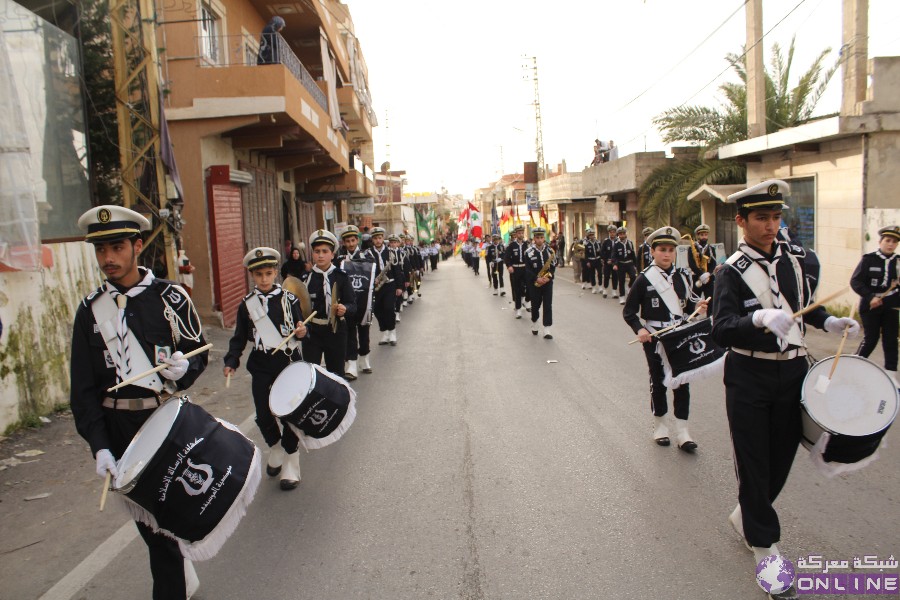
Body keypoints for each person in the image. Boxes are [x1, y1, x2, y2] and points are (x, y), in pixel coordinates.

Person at [711, 180, 859, 600]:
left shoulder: (796, 261)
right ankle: (765, 549)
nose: (770, 225)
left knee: (780, 458)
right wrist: (756, 321)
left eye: (776, 217)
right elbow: (720, 330)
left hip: (793, 372)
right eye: (761, 218)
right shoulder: (730, 271)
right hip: (749, 374)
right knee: (754, 460)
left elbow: (807, 304)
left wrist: (828, 322)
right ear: (741, 221)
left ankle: (748, 515)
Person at [70, 205, 209, 599]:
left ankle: (173, 580)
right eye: (100, 251)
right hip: (119, 431)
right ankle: (177, 572)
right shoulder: (89, 311)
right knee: (152, 528)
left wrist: (185, 369)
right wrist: (98, 445)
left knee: (167, 523)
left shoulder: (171, 297)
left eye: (116, 247)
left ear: (137, 245)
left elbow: (198, 352)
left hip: (165, 422)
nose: (108, 259)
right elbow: (82, 390)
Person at [224, 247, 307, 490]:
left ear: (275, 274)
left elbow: (301, 328)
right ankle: (276, 447)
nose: (264, 279)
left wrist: (303, 331)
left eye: (268, 273)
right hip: (261, 363)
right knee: (263, 413)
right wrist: (231, 360)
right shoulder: (246, 305)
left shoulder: (289, 299)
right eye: (259, 274)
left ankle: (292, 459)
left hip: (287, 361)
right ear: (252, 275)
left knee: (290, 412)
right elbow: (239, 337)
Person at [622, 226, 705, 450]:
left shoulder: (682, 277)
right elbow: (629, 312)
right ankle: (660, 425)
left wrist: (699, 306)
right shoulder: (644, 279)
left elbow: (688, 304)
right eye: (662, 249)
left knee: (682, 381)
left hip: (678, 334)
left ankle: (683, 432)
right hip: (655, 337)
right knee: (658, 381)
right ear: (653, 251)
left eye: (671, 250)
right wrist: (640, 329)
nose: (667, 254)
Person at [300, 229, 356, 375]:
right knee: (311, 373)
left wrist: (345, 308)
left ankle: (338, 398)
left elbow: (352, 305)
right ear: (312, 253)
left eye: (325, 251)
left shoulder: (341, 276)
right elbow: (298, 306)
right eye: (317, 251)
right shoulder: (306, 279)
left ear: (332, 254)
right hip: (312, 332)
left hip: (336, 331)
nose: (320, 255)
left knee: (336, 373)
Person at [851, 225, 900, 377]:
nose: (891, 244)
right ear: (880, 242)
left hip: (891, 303)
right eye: (888, 240)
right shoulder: (869, 259)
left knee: (891, 340)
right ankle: (854, 366)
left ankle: (890, 376)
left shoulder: (898, 262)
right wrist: (870, 297)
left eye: (895, 242)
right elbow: (856, 281)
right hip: (870, 304)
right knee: (871, 338)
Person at [334, 225, 373, 379]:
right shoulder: (339, 259)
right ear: (343, 243)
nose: (350, 244)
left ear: (357, 240)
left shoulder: (367, 256)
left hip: (364, 300)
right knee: (349, 332)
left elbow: (371, 274)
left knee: (364, 331)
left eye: (352, 240)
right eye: (347, 241)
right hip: (348, 301)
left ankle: (364, 358)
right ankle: (351, 364)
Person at [371, 228, 404, 346]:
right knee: (378, 310)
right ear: (372, 240)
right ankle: (384, 332)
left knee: (389, 308)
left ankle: (392, 332)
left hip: (390, 284)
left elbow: (397, 271)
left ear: (383, 238)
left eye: (379, 238)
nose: (378, 240)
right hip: (376, 287)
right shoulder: (368, 254)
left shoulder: (391, 252)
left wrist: (399, 286)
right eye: (375, 238)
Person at [524, 227, 556, 339]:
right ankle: (535, 322)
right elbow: (527, 270)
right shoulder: (528, 252)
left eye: (542, 237)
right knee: (535, 305)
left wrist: (549, 277)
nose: (540, 240)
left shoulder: (550, 251)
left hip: (547, 282)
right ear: (534, 238)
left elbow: (552, 267)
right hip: (535, 283)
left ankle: (547, 329)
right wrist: (536, 279)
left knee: (548, 305)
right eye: (537, 238)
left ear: (544, 238)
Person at [504, 225, 530, 319]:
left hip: (525, 269)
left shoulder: (527, 244)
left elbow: (530, 257)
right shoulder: (512, 245)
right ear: (516, 234)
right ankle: (518, 310)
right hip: (516, 269)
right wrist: (509, 266)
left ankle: (526, 301)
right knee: (517, 290)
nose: (521, 234)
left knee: (530, 287)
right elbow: (506, 257)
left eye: (522, 233)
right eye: (519, 233)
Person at [688, 224, 715, 298]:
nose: (704, 237)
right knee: (695, 299)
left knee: (710, 300)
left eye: (706, 235)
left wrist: (708, 273)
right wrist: (701, 274)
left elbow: (713, 263)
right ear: (698, 236)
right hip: (697, 277)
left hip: (709, 278)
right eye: (702, 235)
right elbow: (691, 264)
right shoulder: (692, 248)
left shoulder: (711, 248)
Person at [612, 226, 637, 305]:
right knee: (621, 281)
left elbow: (633, 254)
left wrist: (635, 265)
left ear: (625, 234)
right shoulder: (616, 244)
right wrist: (615, 264)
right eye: (620, 234)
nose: (622, 235)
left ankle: (629, 286)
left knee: (633, 276)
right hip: (621, 264)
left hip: (629, 263)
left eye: (623, 233)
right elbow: (614, 255)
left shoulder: (629, 243)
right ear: (618, 235)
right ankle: (622, 297)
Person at [600, 224, 619, 298]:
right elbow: (602, 252)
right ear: (609, 233)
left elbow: (618, 253)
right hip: (607, 262)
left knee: (615, 277)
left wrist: (615, 261)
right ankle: (605, 290)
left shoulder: (618, 241)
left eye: (614, 232)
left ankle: (614, 291)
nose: (612, 234)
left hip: (615, 263)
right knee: (606, 276)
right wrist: (606, 260)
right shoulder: (606, 241)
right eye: (611, 232)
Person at [583, 228, 602, 293]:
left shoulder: (598, 242)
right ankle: (593, 287)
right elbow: (586, 254)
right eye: (590, 235)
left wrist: (602, 259)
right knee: (592, 274)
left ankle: (600, 286)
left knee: (599, 273)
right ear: (588, 236)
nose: (592, 236)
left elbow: (601, 251)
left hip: (598, 259)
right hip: (591, 260)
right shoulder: (586, 244)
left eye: (593, 235)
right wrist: (587, 261)